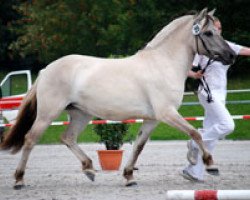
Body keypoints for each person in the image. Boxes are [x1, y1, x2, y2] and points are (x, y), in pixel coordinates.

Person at [181, 18, 250, 182]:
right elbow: (185, 67)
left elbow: (247, 51)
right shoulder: (203, 47)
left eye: (219, 28)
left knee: (212, 132)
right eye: (214, 28)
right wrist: (194, 74)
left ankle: (194, 171)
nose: (218, 31)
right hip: (208, 92)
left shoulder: (226, 45)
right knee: (227, 125)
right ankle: (194, 140)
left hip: (221, 94)